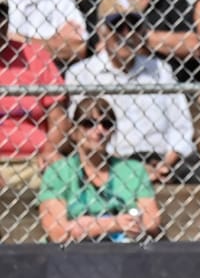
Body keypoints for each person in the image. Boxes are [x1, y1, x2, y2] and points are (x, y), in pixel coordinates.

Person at [63, 0, 198, 183]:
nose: (127, 34)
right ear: (103, 30)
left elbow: (182, 127)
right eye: (118, 26)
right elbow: (82, 135)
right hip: (109, 165)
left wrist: (166, 164)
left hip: (163, 162)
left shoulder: (160, 69)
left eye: (133, 25)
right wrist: (129, 170)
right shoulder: (81, 74)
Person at [38, 97, 161, 244]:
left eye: (106, 124)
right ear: (73, 130)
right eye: (89, 123)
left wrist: (84, 225)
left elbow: (151, 223)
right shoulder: (58, 172)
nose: (99, 130)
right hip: (72, 256)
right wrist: (115, 224)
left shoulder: (133, 169)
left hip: (125, 255)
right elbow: (58, 233)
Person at [0, 0, 67, 188]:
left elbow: (58, 116)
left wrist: (51, 149)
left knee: (63, 173)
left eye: (1, 15)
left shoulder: (36, 56)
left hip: (35, 162)